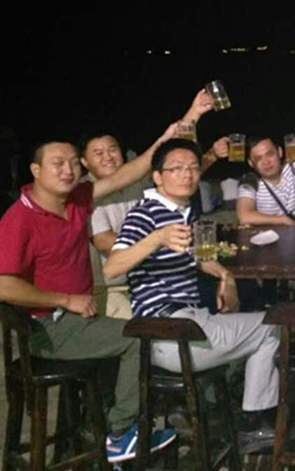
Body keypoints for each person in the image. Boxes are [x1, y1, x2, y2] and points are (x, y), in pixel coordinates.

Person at [0, 126, 180, 464]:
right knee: (138, 338)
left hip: (80, 317)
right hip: (49, 327)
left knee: (124, 340)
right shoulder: (18, 219)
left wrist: (168, 137)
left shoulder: (77, 199)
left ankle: (100, 434)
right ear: (36, 170)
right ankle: (121, 434)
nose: (67, 170)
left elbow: (126, 174)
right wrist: (65, 299)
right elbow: (4, 287)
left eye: (72, 163)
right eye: (57, 163)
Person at [103, 139, 281, 455]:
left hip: (177, 330)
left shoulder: (181, 214)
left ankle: (218, 409)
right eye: (176, 169)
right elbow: (111, 268)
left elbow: (196, 258)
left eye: (193, 168)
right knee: (272, 326)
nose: (187, 175)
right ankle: (253, 424)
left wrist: (225, 275)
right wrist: (156, 238)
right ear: (157, 177)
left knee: (244, 317)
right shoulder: (145, 214)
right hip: (171, 333)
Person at [80, 89, 225, 318]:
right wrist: (162, 240)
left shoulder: (136, 182)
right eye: (98, 153)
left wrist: (195, 114)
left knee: (222, 295)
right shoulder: (86, 195)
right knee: (148, 328)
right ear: (84, 162)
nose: (107, 156)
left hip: (161, 276)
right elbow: (105, 243)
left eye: (112, 149)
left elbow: (179, 174)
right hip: (116, 287)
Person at [236, 134, 295, 225]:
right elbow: (244, 216)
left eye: (270, 154)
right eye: (259, 158)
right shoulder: (250, 180)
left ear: (280, 152)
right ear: (251, 163)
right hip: (265, 234)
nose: (266, 162)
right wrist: (283, 220)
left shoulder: (291, 168)